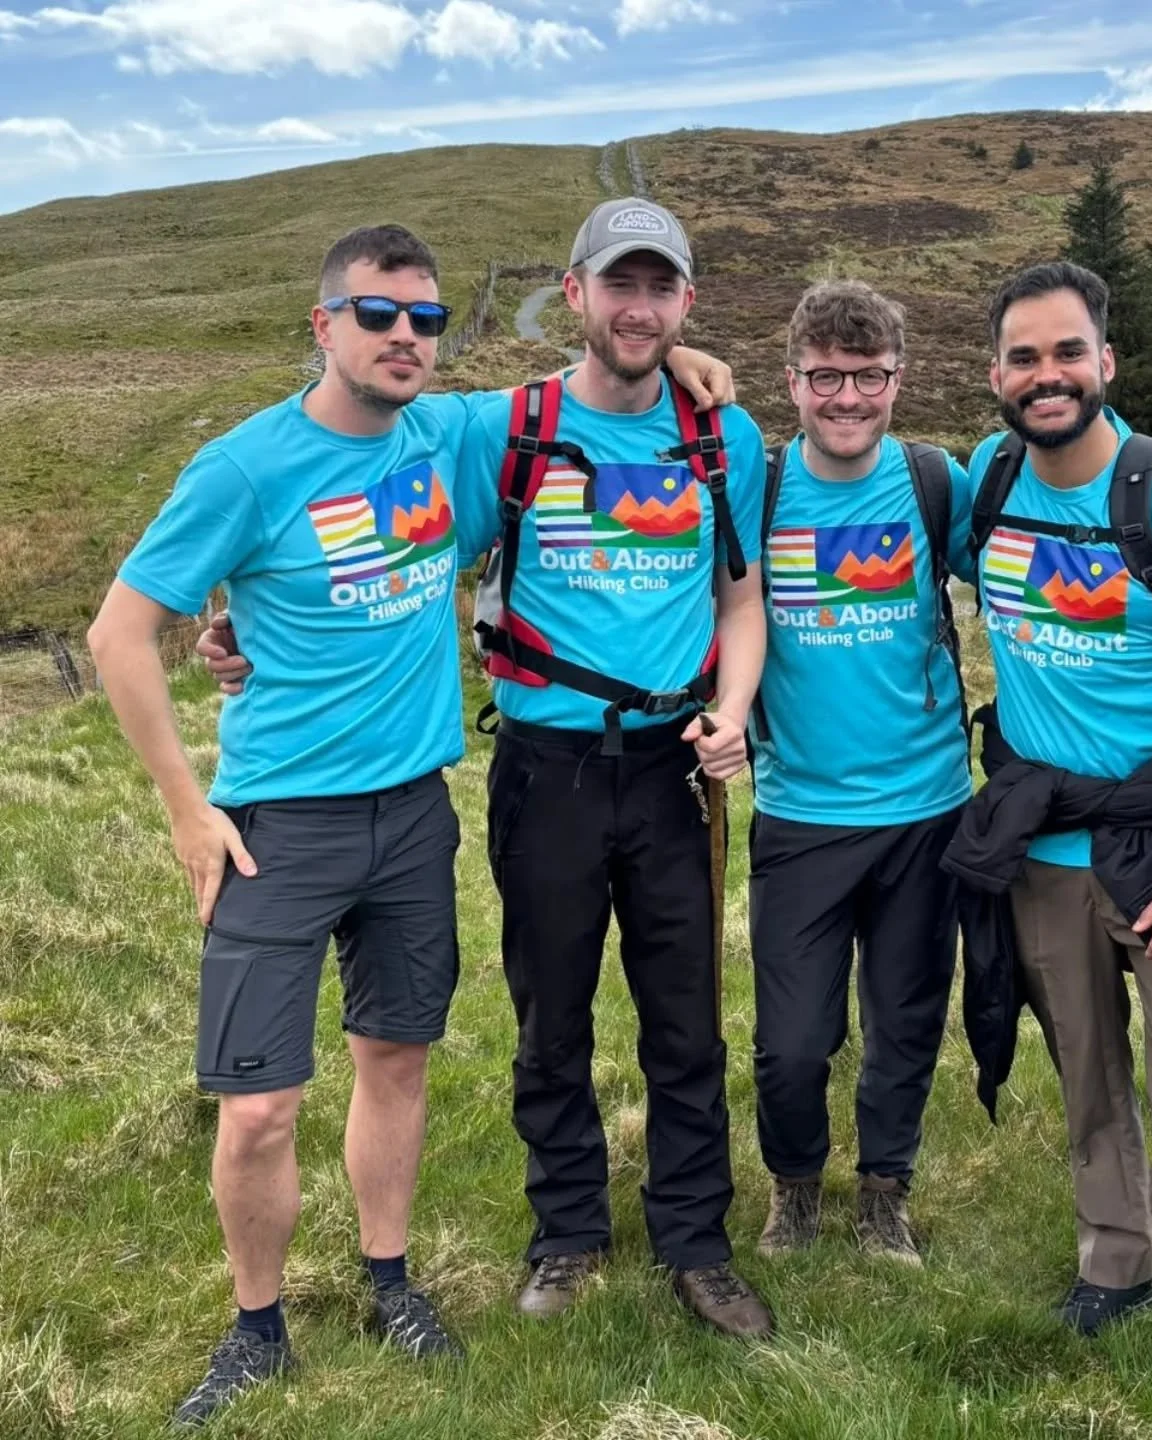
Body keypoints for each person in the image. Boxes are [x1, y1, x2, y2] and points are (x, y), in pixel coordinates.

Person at [92, 221, 734, 1428]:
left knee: (396, 1060)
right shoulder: (244, 468)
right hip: (276, 821)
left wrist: (694, 364)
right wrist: (188, 810)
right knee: (261, 1102)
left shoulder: (448, 431)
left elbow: (603, 374)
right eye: (376, 314)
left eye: (425, 320)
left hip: (415, 813)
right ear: (322, 323)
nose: (403, 338)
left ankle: (391, 1283)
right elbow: (120, 636)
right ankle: (255, 1328)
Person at [940, 261, 1152, 1391]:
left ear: (1106, 363)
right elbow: (850, 469)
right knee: (1085, 1069)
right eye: (1025, 358)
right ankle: (1117, 1257)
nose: (1048, 376)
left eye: (1067, 353)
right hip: (1042, 849)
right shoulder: (989, 482)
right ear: (995, 376)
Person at [464, 197, 773, 1336]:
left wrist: (735, 708)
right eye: (619, 285)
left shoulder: (720, 437)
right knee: (553, 1017)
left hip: (674, 772)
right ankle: (567, 1234)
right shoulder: (509, 426)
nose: (639, 308)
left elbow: (741, 597)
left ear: (686, 301)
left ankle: (696, 1242)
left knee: (686, 1019)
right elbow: (381, 515)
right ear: (576, 291)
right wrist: (248, 626)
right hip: (547, 768)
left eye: (661, 289)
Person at [745, 280, 971, 1266]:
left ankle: (887, 1192)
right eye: (826, 378)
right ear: (791, 383)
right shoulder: (752, 490)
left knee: (906, 1021)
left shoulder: (935, 480)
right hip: (799, 812)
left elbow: (1017, 575)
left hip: (929, 811)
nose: (847, 399)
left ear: (897, 379)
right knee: (793, 1043)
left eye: (868, 377)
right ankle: (795, 1189)